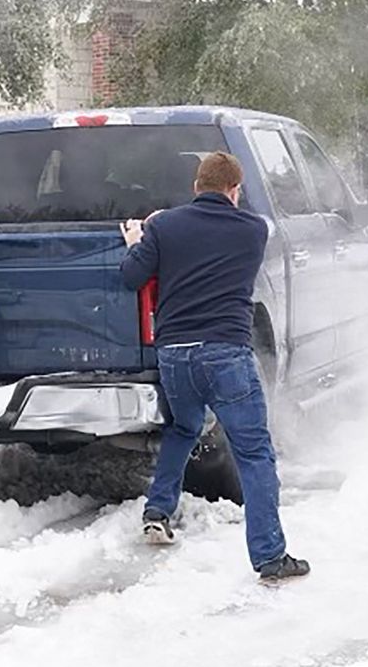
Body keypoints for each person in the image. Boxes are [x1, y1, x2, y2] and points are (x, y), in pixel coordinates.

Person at [119, 151, 310, 582]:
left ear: (195, 187)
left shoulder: (164, 227)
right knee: (255, 453)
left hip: (175, 355)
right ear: (235, 190)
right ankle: (270, 557)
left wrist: (138, 240)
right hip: (226, 354)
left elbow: (131, 276)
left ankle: (158, 511)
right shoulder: (253, 230)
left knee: (183, 429)